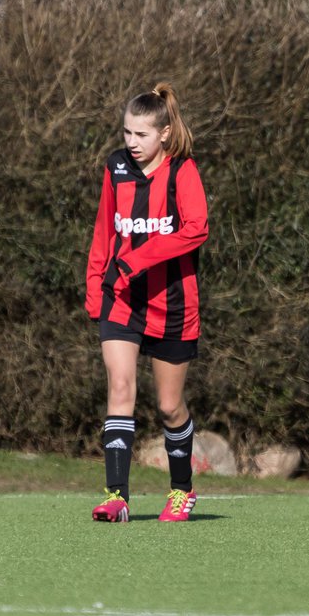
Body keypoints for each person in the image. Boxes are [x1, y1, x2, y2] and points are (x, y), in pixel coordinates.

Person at [84, 83, 209, 523]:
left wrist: (137, 260)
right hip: (120, 299)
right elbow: (105, 228)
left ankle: (181, 490)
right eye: (126, 133)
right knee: (120, 388)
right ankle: (116, 497)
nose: (131, 144)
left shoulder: (182, 171)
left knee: (169, 407)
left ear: (165, 133)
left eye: (141, 135)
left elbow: (197, 229)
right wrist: (94, 285)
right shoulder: (116, 168)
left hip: (173, 303)